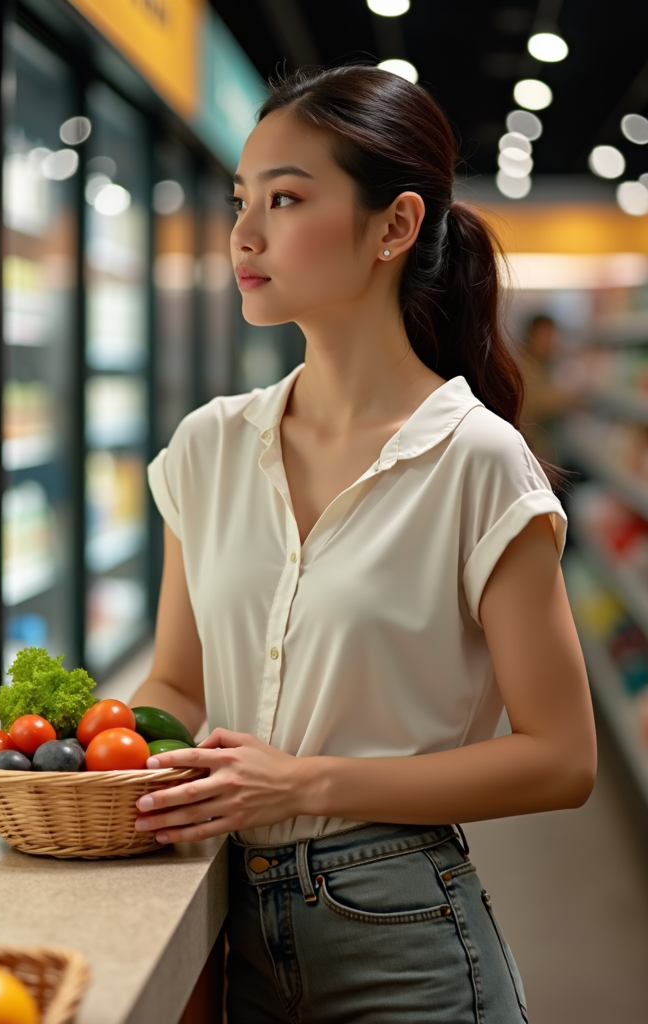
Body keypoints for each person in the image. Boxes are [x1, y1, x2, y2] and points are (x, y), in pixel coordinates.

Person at [129, 66, 596, 1023]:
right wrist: (129, 759)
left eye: (287, 199)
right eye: (241, 201)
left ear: (395, 226)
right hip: (236, 921)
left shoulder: (475, 460)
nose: (244, 235)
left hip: (405, 934)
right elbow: (175, 681)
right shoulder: (208, 447)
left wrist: (301, 781)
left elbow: (561, 757)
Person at [519, 313, 580, 467]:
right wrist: (569, 398)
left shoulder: (545, 364)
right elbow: (535, 402)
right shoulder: (523, 366)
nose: (551, 341)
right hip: (531, 456)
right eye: (546, 335)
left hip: (543, 455)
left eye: (553, 335)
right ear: (531, 336)